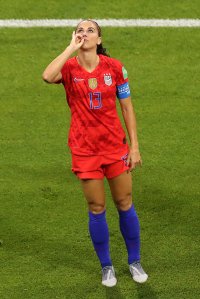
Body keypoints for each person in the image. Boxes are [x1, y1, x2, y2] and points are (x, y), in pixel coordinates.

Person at [42, 19, 148, 287]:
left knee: (125, 203)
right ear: (74, 36)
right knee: (96, 207)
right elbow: (47, 76)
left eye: (90, 30)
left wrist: (134, 147)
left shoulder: (115, 68)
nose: (84, 33)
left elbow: (127, 108)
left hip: (114, 148)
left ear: (99, 39)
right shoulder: (67, 69)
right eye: (80, 30)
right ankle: (107, 267)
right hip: (84, 150)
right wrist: (69, 48)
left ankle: (134, 261)